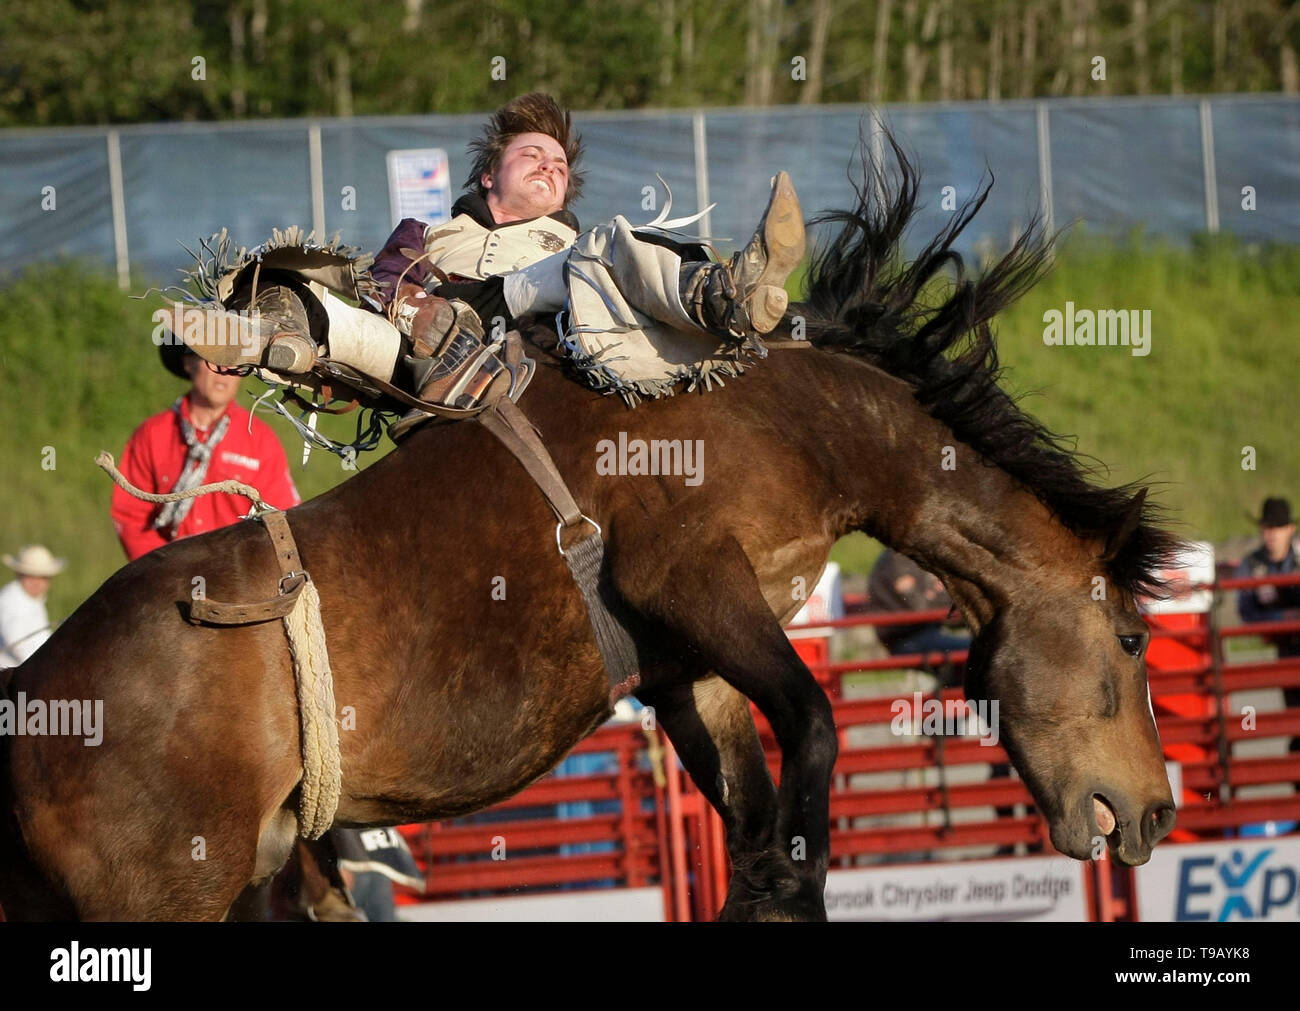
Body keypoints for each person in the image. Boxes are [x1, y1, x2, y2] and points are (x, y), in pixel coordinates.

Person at [181, 92, 806, 431]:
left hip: (544, 333)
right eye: (533, 154)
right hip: (434, 344)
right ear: (487, 176)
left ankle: (729, 294)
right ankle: (260, 324)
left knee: (607, 247)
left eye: (560, 167)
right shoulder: (426, 233)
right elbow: (385, 288)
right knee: (329, 296)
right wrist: (420, 302)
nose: (550, 167)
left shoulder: (571, 243)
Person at [110, 343, 301, 561]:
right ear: (188, 362)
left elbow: (282, 520)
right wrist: (166, 568)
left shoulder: (261, 440)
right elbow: (131, 518)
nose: (224, 369)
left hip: (238, 578)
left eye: (235, 360)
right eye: (213, 356)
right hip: (167, 577)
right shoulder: (151, 435)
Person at [1235, 496, 1300, 755]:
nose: (1271, 533)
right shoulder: (1252, 565)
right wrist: (1280, 621)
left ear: (1290, 529)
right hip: (1283, 648)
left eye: (1277, 527)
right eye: (1267, 527)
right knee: (1294, 712)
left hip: (1287, 646)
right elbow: (1245, 610)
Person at [867, 549, 971, 673]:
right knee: (975, 652)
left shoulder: (905, 556)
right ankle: (946, 690)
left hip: (918, 634)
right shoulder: (898, 560)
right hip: (907, 639)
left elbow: (938, 602)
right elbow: (922, 608)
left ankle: (948, 689)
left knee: (977, 651)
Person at [0, 544, 67, 667]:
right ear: (18, 574)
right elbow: (17, 642)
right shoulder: (9, 600)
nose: (37, 583)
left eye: (43, 577)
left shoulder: (35, 601)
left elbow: (41, 640)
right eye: (31, 576)